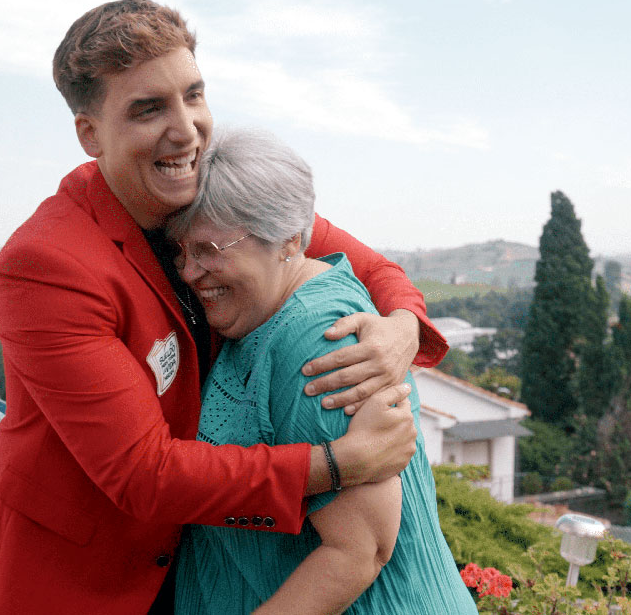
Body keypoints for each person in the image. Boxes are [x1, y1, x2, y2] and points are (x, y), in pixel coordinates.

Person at [0, 0, 448, 614]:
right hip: (79, 579)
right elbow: (144, 475)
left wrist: (400, 329)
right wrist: (337, 462)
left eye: (193, 95)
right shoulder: (49, 265)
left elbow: (370, 267)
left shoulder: (218, 203)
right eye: (148, 109)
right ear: (90, 134)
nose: (186, 129)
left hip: (198, 567)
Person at [168, 127, 475, 614]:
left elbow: (358, 552)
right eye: (180, 251)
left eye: (209, 250)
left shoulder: (318, 341)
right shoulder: (263, 310)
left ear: (288, 239)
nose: (189, 271)